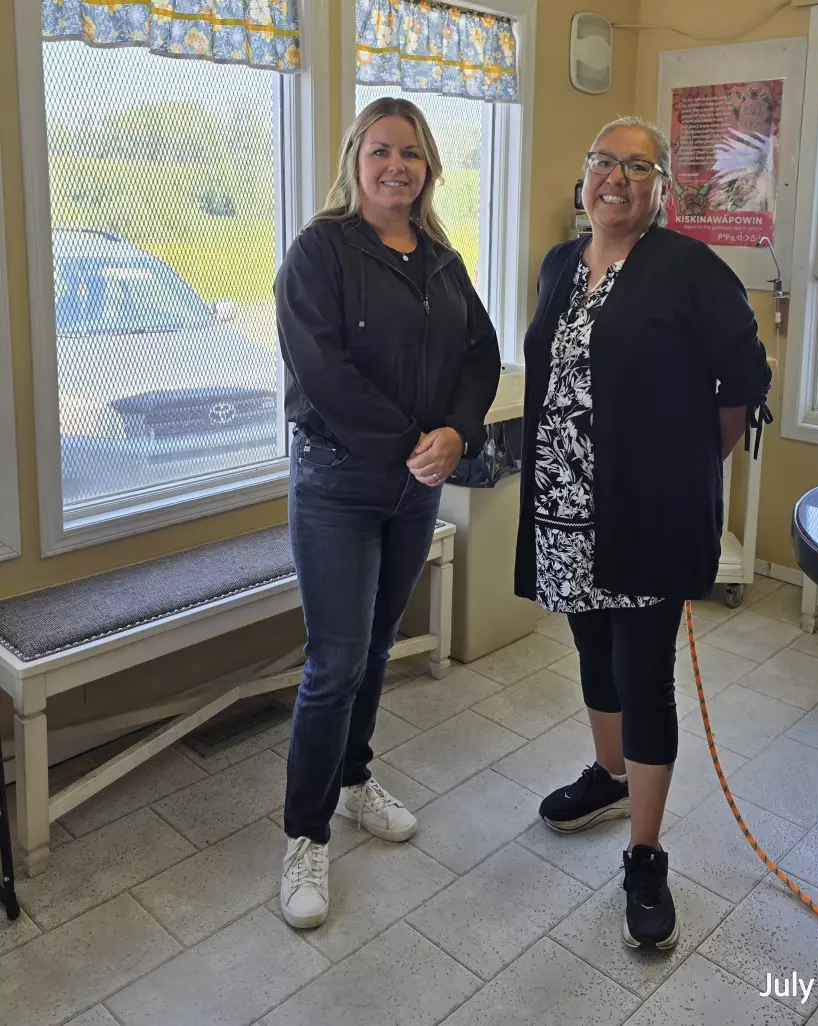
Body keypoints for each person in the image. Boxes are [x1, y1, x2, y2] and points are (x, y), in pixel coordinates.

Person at [513, 116, 771, 951]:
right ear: (584, 175)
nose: (615, 178)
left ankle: (646, 854)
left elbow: (744, 380)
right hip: (564, 509)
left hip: (647, 513)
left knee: (644, 676)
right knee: (592, 653)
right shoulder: (560, 264)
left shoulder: (689, 269)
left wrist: (686, 466)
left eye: (637, 166)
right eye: (603, 162)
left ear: (663, 189)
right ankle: (610, 773)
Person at [274, 97, 501, 930]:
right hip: (337, 483)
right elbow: (323, 372)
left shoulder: (441, 259)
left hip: (414, 487)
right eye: (380, 151)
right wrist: (416, 443)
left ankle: (353, 779)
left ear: (428, 167)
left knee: (375, 647)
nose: (396, 166)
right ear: (355, 160)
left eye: (410, 153)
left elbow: (481, 354)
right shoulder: (319, 252)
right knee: (334, 663)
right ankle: (304, 836)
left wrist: (458, 433)